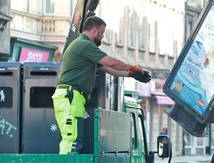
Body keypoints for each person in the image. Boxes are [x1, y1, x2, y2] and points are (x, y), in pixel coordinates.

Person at [52, 16, 151, 154]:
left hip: (73, 98)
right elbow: (110, 62)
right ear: (94, 30)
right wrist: (132, 67)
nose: (102, 37)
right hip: (70, 97)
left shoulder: (84, 49)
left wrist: (131, 74)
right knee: (71, 140)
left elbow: (109, 69)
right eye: (102, 33)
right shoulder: (84, 44)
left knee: (76, 141)